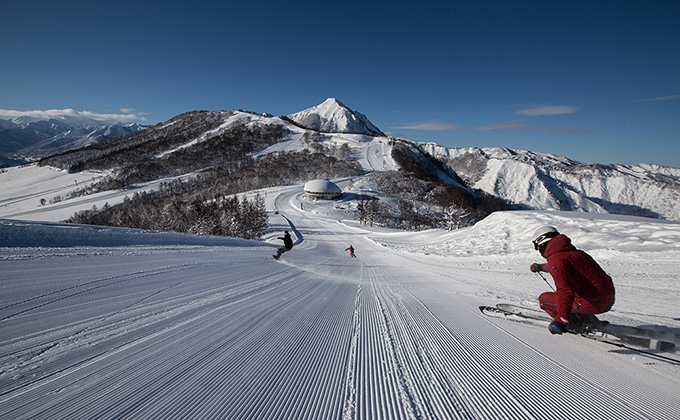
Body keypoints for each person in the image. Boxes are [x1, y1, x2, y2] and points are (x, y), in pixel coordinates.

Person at [530, 226, 615, 335]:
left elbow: (565, 292)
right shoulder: (575, 253)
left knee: (544, 300)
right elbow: (560, 267)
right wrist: (541, 267)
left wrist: (561, 321)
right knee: (576, 294)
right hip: (607, 299)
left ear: (541, 244)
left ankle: (576, 326)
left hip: (593, 304)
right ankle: (591, 321)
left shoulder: (557, 260)